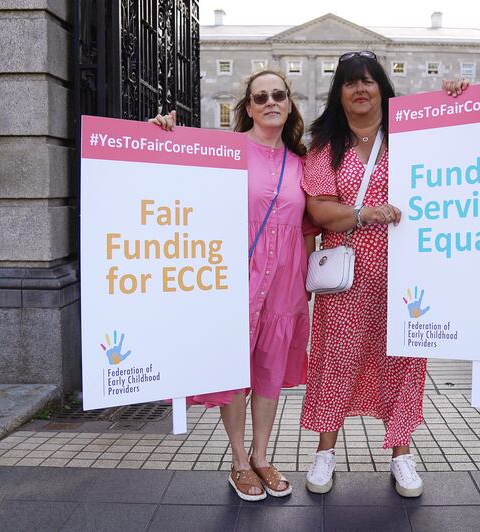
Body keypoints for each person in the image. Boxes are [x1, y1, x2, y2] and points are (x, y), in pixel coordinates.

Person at [300, 50, 468, 498]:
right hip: (346, 278)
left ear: (381, 88)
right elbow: (318, 208)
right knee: (336, 361)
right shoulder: (324, 144)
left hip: (405, 275)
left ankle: (401, 454)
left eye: (368, 81)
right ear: (339, 91)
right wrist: (362, 213)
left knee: (404, 362)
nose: (360, 89)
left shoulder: (411, 134)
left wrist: (454, 96)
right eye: (350, 82)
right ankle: (324, 453)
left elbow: (462, 148)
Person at [151, 70, 317, 501]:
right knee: (233, 368)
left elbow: (310, 224)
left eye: (278, 94)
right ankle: (240, 461)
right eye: (259, 96)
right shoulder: (225, 151)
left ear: (289, 102)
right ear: (248, 107)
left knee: (267, 370)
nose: (269, 101)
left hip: (284, 281)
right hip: (234, 277)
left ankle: (262, 456)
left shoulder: (302, 162)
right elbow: (177, 182)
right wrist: (162, 135)